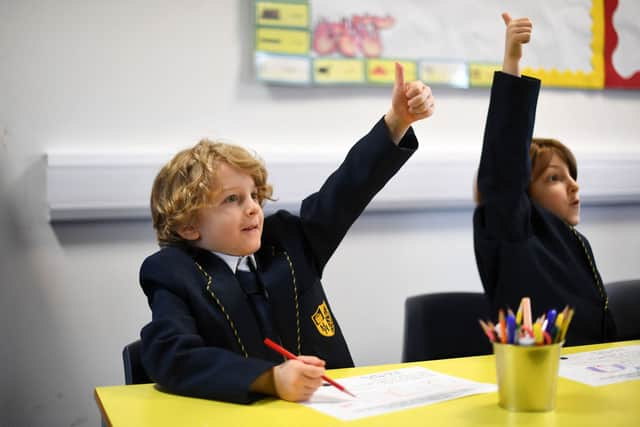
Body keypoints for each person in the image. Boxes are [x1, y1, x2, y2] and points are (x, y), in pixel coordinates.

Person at [139, 63, 435, 403]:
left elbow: (346, 191)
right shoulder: (174, 273)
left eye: (254, 195)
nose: (252, 208)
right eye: (231, 200)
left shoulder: (289, 241)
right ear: (188, 225)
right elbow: (170, 355)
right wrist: (270, 379)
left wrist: (396, 123)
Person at [473, 13, 617, 346]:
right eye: (554, 178)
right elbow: (504, 163)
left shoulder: (575, 242)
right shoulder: (513, 227)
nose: (574, 186)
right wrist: (512, 61)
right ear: (524, 190)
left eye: (572, 176)